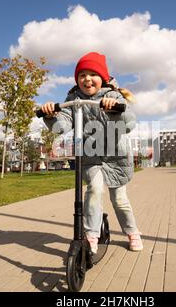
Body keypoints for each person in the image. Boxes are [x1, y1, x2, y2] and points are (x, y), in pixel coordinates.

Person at [41, 52, 143, 253]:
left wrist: (116, 110)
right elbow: (61, 128)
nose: (87, 79)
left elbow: (129, 123)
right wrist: (51, 116)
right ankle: (92, 236)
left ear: (103, 78)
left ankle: (132, 232)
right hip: (91, 155)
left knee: (120, 200)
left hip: (116, 156)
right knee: (94, 191)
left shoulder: (113, 96)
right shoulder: (73, 99)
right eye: (82, 75)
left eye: (92, 74)